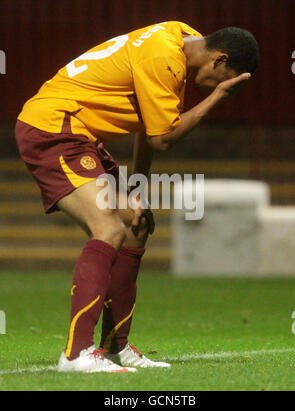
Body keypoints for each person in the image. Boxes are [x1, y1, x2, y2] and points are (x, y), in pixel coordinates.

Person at [15, 21, 259, 373]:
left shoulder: (177, 35)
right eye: (224, 80)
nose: (220, 86)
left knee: (134, 225)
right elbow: (163, 138)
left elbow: (149, 128)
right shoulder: (165, 58)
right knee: (108, 230)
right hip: (54, 127)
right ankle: (75, 354)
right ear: (219, 60)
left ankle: (114, 347)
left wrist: (136, 191)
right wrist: (217, 97)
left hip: (77, 132)